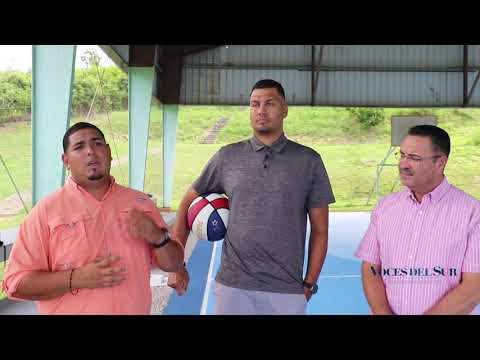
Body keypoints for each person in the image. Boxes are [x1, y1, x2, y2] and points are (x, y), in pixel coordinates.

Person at [168, 79, 335, 315]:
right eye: (255, 104)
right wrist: (177, 265)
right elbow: (187, 203)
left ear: (285, 109)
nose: (261, 111)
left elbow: (320, 229)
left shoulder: (309, 161)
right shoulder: (227, 157)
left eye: (270, 104)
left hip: (285, 290)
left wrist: (309, 284)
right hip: (232, 287)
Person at [2, 122, 184, 314]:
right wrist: (77, 278)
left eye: (97, 143)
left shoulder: (141, 203)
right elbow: (16, 284)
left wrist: (158, 237)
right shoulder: (46, 211)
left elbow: (174, 263)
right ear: (66, 161)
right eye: (79, 147)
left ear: (109, 152)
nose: (90, 151)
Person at [355, 125, 480, 315]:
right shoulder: (385, 208)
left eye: (414, 158)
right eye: (402, 155)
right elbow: (371, 267)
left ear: (440, 162)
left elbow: (473, 287)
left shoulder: (472, 212)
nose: (404, 164)